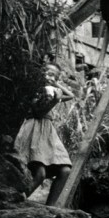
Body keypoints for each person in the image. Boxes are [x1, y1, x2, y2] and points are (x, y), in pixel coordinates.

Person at [14, 62, 75, 206]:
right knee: (40, 174)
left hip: (47, 132)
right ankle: (17, 200)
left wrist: (55, 84)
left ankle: (50, 208)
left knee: (65, 171)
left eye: (54, 76)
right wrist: (55, 100)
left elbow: (70, 95)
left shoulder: (51, 90)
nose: (50, 77)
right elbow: (38, 112)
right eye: (48, 73)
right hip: (33, 129)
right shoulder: (35, 88)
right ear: (41, 72)